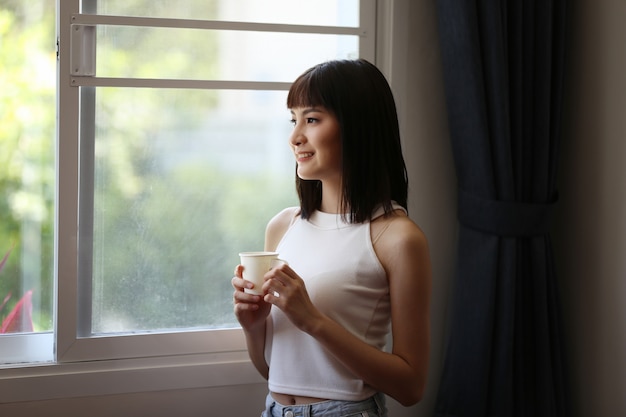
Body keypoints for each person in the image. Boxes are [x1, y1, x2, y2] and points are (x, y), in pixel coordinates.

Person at [232, 59, 431, 417]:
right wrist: (254, 325)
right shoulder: (282, 226)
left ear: (358, 127)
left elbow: (411, 387)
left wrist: (313, 320)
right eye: (293, 120)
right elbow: (270, 371)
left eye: (312, 119)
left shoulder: (397, 238)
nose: (295, 137)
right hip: (274, 409)